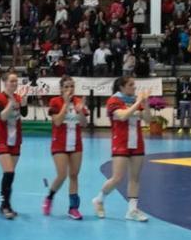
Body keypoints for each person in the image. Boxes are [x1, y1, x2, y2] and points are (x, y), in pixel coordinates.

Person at [92, 77, 151, 222]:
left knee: (135, 178)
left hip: (137, 142)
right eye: (131, 85)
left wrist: (146, 103)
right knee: (117, 177)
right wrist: (138, 102)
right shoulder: (114, 101)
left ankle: (132, 210)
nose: (134, 88)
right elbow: (123, 116)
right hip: (121, 142)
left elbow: (148, 120)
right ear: (122, 87)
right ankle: (99, 199)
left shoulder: (134, 99)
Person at [43, 76, 88, 220]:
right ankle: (50, 197)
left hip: (76, 144)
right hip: (59, 144)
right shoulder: (55, 102)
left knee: (74, 175)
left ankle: (73, 208)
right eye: (67, 87)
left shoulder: (79, 102)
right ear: (61, 88)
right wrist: (66, 104)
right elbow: (57, 122)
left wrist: (80, 112)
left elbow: (84, 124)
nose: (70, 89)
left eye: (72, 86)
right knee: (62, 175)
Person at [0, 72, 28, 220]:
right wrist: (11, 104)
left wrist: (23, 104)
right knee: (9, 172)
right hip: (1, 139)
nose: (14, 84)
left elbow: (23, 114)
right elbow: (2, 117)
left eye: (16, 81)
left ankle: (4, 204)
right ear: (4, 82)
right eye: (11, 81)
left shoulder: (18, 97)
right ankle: (6, 205)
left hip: (15, 140)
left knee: (9, 175)